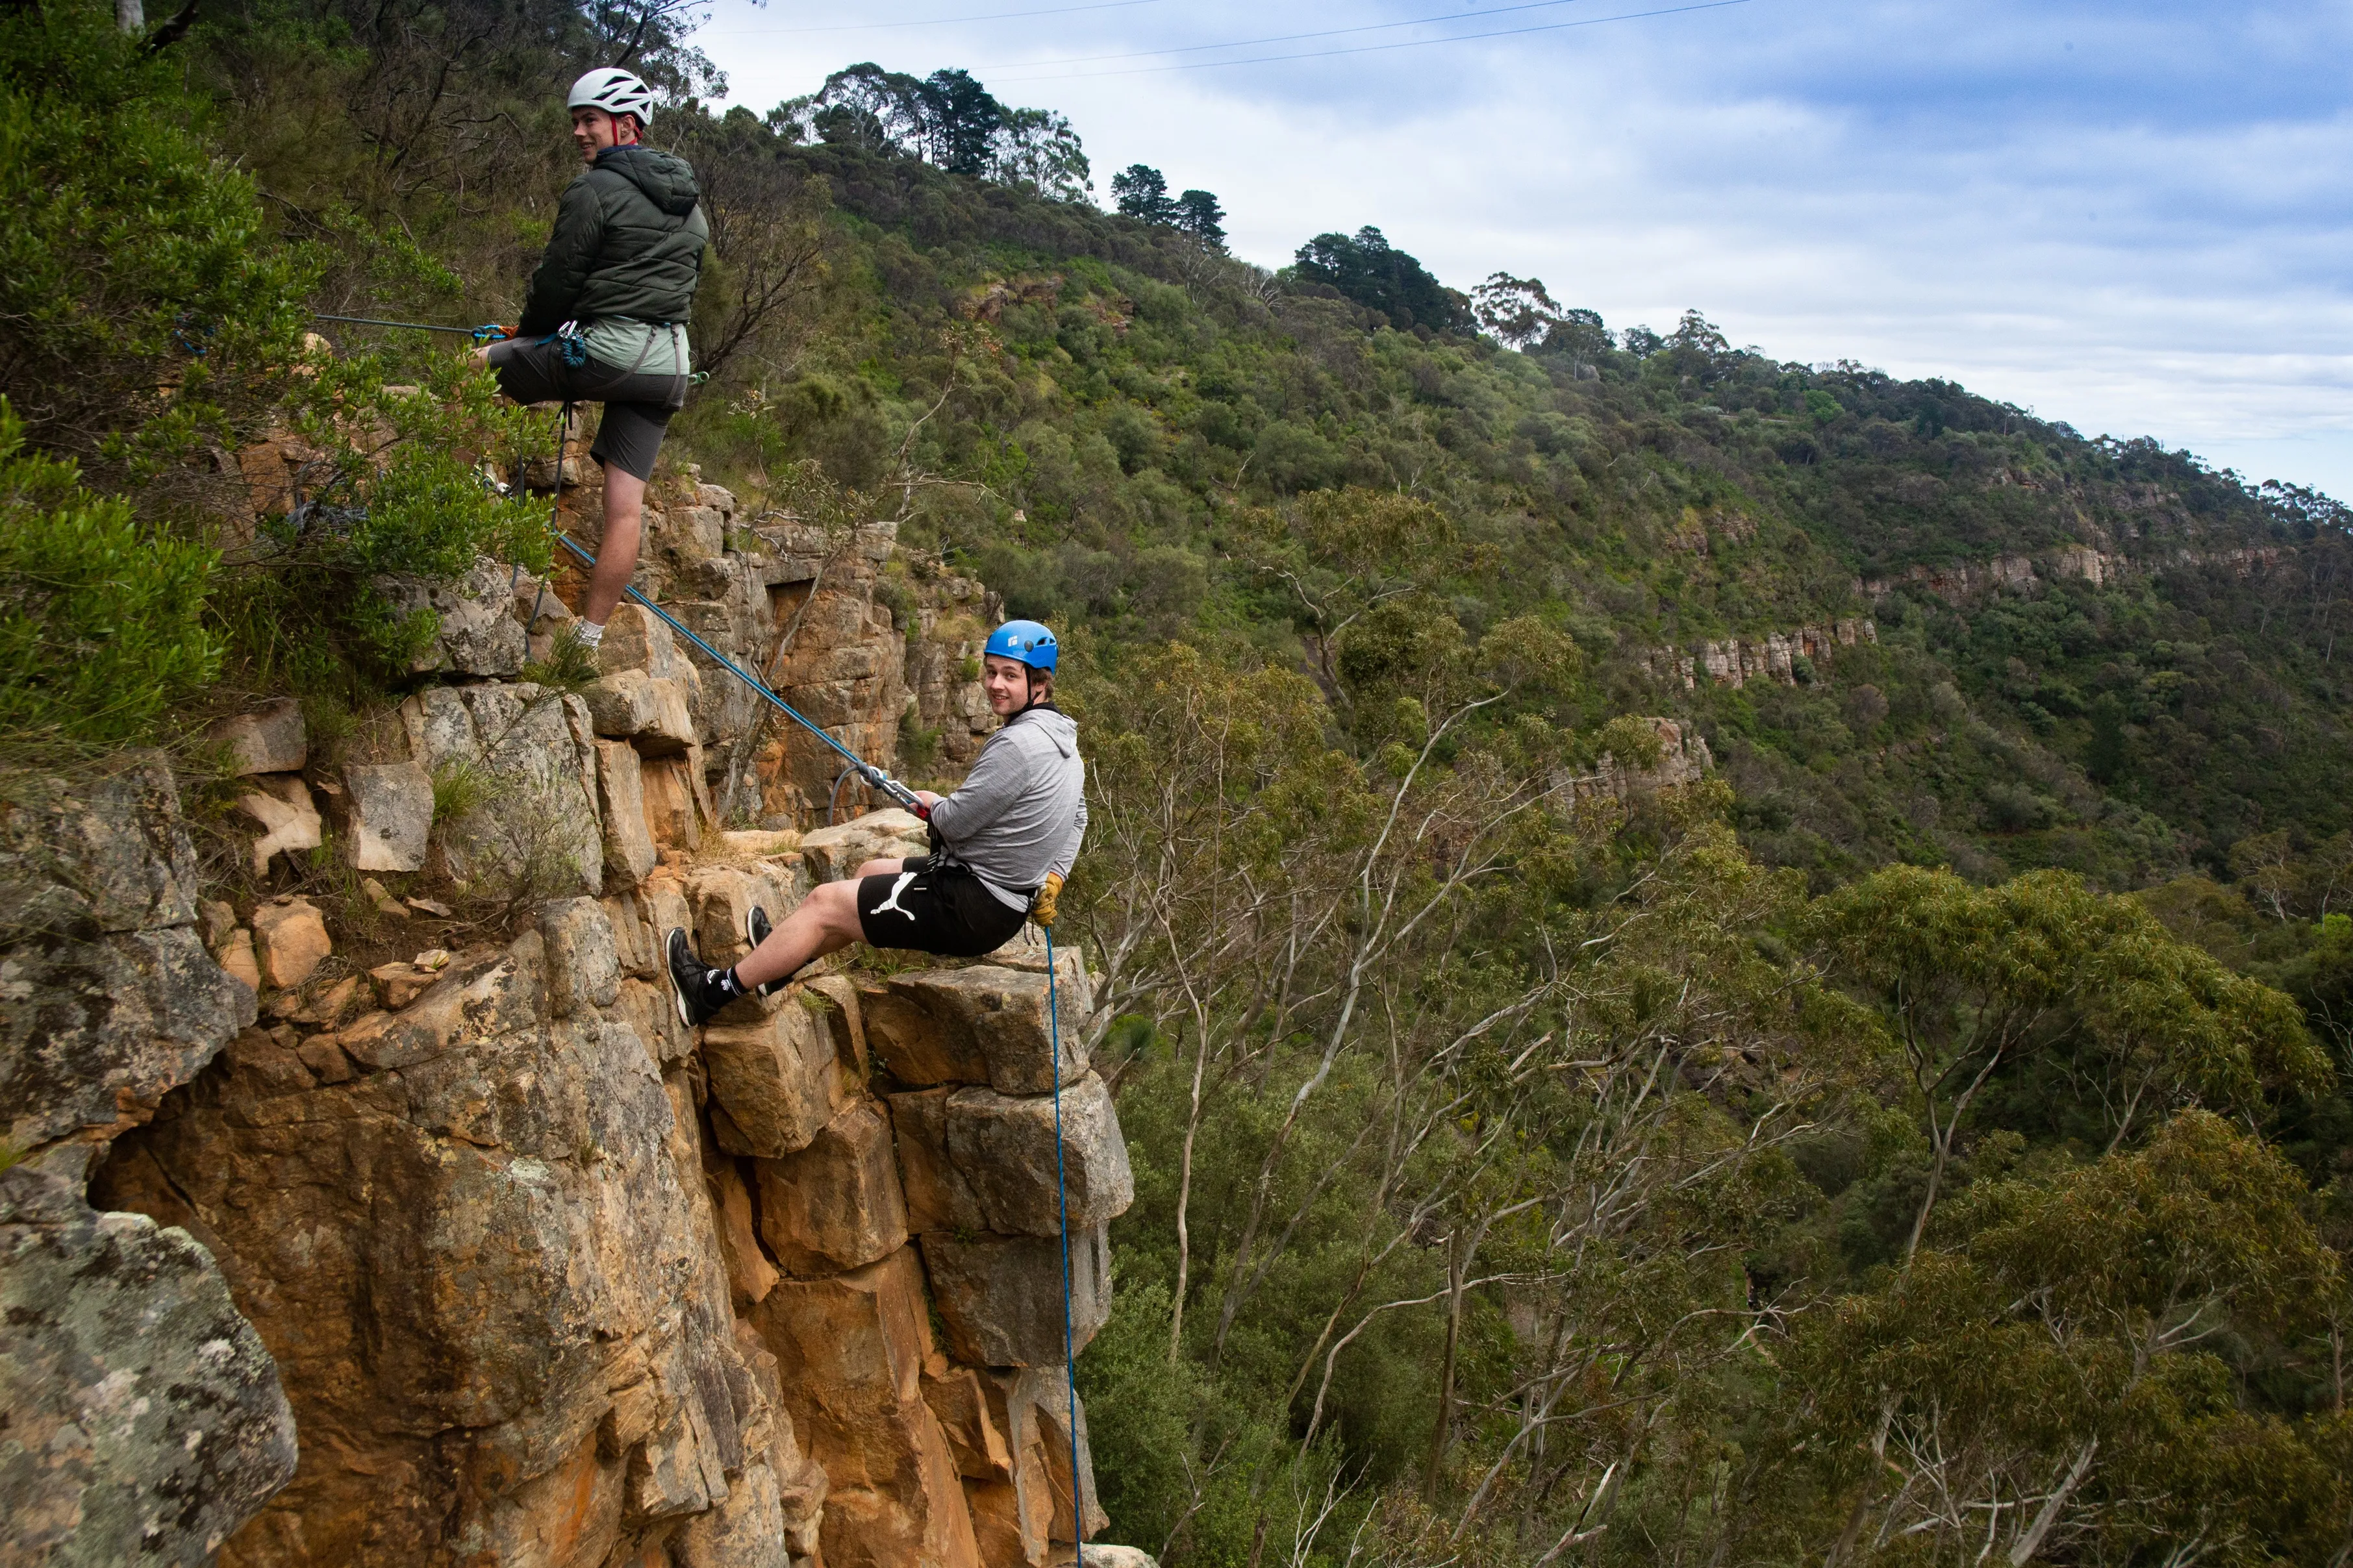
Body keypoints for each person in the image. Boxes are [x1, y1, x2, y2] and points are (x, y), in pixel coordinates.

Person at [666, 620, 1084, 1026]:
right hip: (997, 898)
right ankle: (779, 963)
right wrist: (1055, 875)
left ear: (1040, 683)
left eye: (1010, 675)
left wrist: (931, 806)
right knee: (869, 873)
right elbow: (1078, 815)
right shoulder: (1063, 741)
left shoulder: (1017, 745)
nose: (995, 684)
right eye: (991, 672)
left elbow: (954, 825)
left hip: (969, 903)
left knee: (824, 905)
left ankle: (709, 993)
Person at [471, 67, 707, 649]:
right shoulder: (692, 208)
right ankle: (588, 639)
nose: (578, 132)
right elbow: (663, 285)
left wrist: (524, 334)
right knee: (625, 508)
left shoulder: (593, 189)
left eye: (589, 121)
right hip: (669, 365)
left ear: (626, 126)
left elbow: (558, 281)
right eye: (575, 122)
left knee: (472, 371)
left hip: (610, 352)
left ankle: (470, 485)